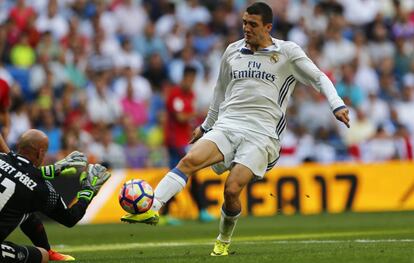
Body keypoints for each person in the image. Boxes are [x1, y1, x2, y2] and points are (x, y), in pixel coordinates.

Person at [121, 2, 350, 256]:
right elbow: (219, 92)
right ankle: (153, 208)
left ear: (268, 27)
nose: (246, 28)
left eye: (252, 24)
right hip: (228, 124)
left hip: (262, 134)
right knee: (189, 160)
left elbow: (319, 77)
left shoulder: (287, 52)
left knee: (231, 189)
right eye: (244, 23)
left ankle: (223, 239)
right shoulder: (232, 51)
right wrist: (206, 126)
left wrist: (337, 105)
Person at [0, 129, 111, 263]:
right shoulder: (40, 188)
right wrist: (89, 190)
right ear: (40, 152)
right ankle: (47, 251)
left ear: (19, 146)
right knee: (42, 255)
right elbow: (70, 218)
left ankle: (49, 250)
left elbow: (16, 171)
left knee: (24, 208)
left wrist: (50, 170)